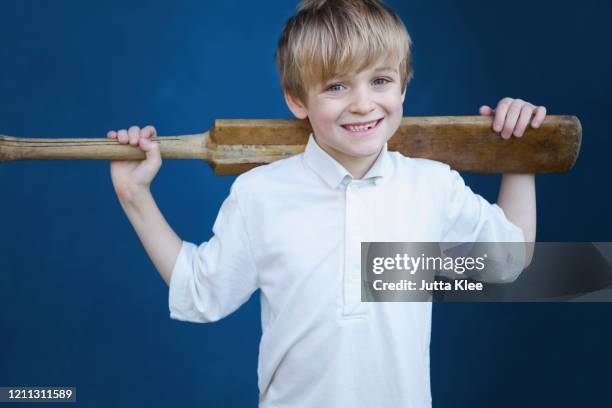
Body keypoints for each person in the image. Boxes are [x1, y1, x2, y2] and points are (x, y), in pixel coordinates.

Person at [106, 0, 545, 406]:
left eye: (380, 80)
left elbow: (509, 262)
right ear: (297, 99)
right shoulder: (260, 193)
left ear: (403, 86)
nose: (363, 104)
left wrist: (519, 154)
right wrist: (135, 195)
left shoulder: (431, 187)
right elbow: (201, 294)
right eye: (336, 86)